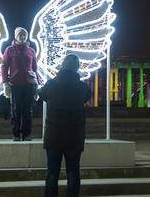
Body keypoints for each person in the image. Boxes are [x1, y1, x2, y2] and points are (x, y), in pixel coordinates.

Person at [39, 54, 90, 197]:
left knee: (52, 173)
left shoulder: (51, 84)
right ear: (77, 67)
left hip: (54, 136)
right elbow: (87, 97)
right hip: (74, 136)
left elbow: (42, 96)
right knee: (73, 172)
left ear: (62, 65)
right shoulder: (82, 87)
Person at [1, 27, 42, 141]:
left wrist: (37, 83)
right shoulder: (9, 50)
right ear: (16, 36)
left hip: (29, 84)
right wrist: (5, 83)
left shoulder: (31, 51)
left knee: (28, 110)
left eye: (24, 35)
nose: (22, 37)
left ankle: (26, 134)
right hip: (15, 84)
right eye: (20, 35)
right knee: (16, 109)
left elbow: (35, 68)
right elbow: (4, 66)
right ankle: (16, 134)